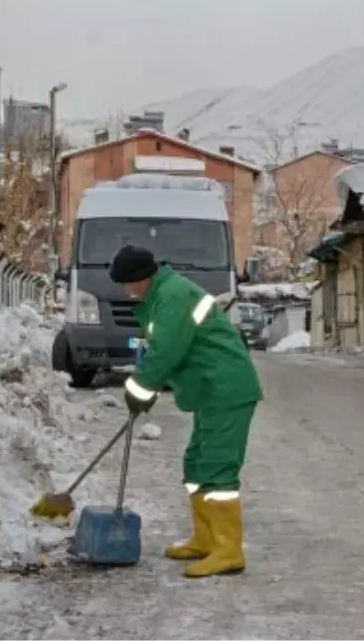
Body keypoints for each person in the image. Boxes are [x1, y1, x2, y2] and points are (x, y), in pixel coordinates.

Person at [108, 244, 262, 578]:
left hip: (225, 388)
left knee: (217, 467)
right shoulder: (162, 294)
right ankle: (206, 539)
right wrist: (146, 388)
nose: (125, 291)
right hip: (209, 390)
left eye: (127, 283)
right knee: (195, 464)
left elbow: (167, 351)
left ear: (141, 277)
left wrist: (139, 389)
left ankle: (228, 550)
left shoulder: (172, 295)